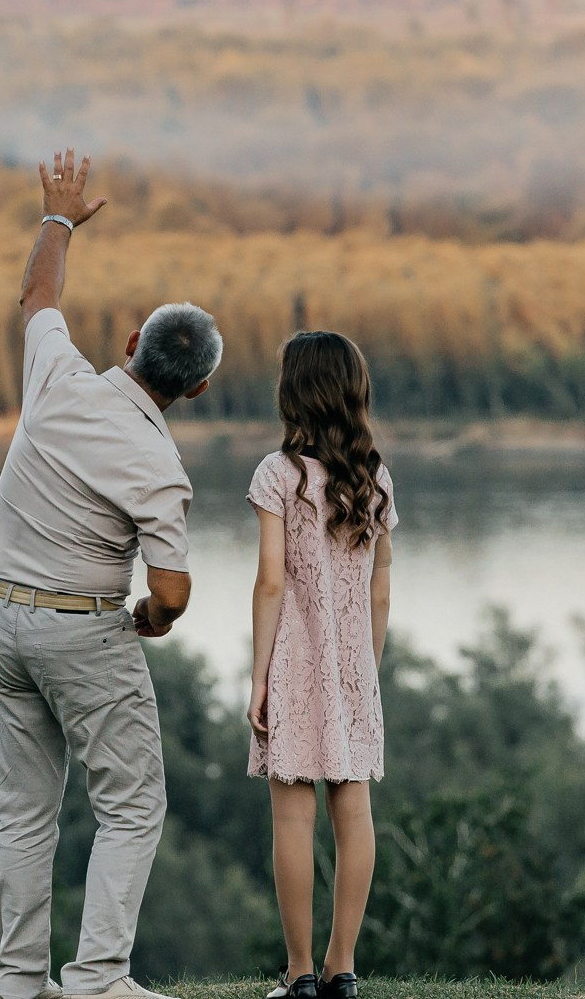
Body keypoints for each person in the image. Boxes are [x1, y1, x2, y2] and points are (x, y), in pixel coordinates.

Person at [0, 147, 224, 999]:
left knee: (23, 812)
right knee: (130, 804)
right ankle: (96, 981)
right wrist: (151, 621)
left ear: (129, 344)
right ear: (193, 391)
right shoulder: (159, 463)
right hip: (81, 627)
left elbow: (38, 297)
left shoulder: (56, 376)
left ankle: (19, 982)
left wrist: (57, 218)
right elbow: (171, 591)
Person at [246, 331, 398, 999]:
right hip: (353, 666)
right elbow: (381, 586)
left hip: (293, 665)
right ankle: (344, 968)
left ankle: (300, 971)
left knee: (290, 821)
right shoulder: (375, 477)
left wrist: (257, 677)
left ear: (294, 391)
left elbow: (271, 582)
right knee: (355, 814)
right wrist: (369, 665)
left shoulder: (277, 475)